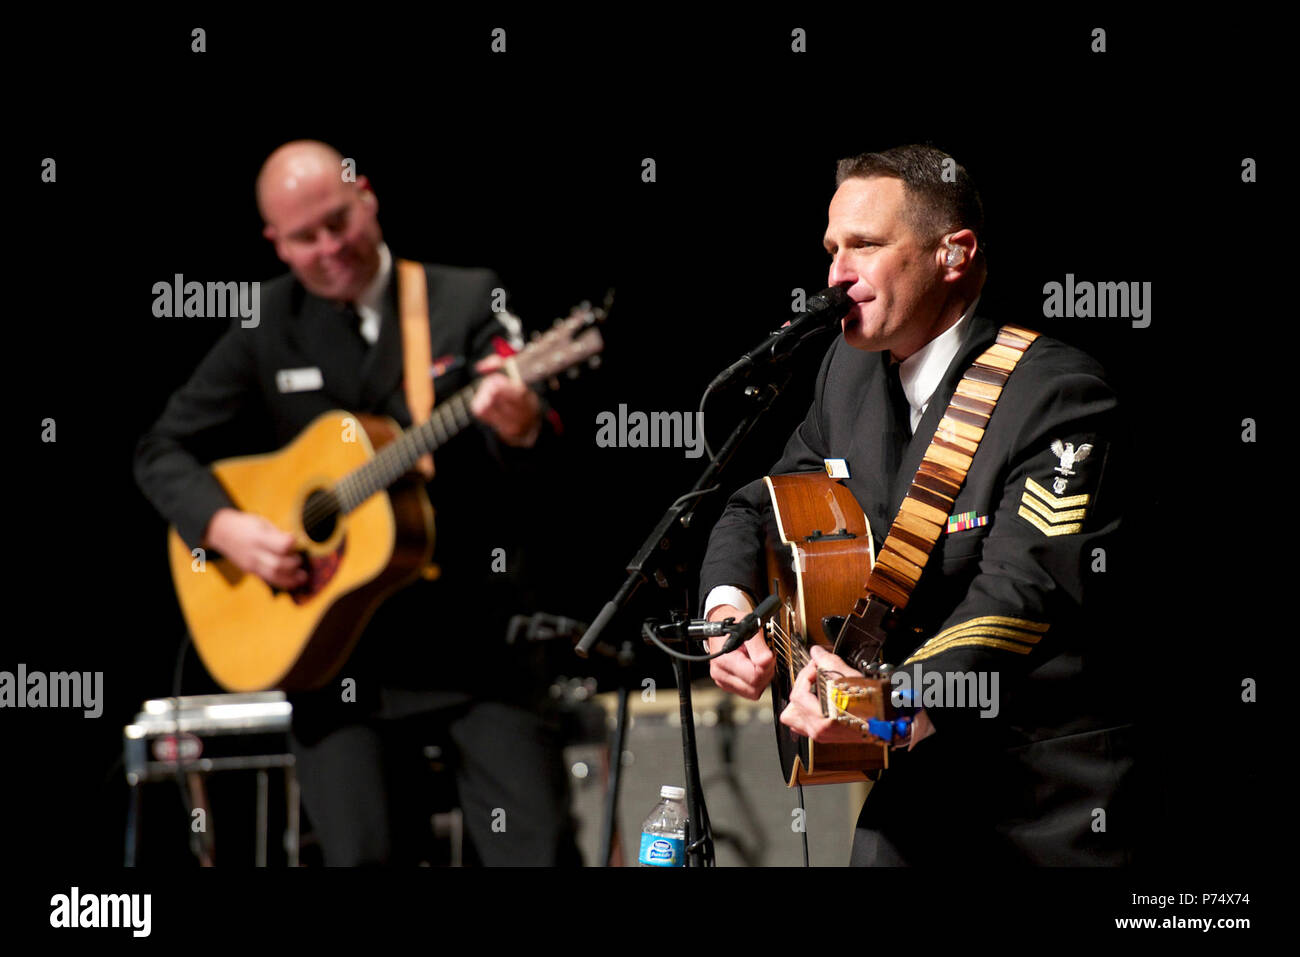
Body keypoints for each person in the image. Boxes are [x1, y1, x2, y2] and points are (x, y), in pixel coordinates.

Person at [134, 140, 580, 865]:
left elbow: (545, 472)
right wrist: (228, 529)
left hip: (476, 642)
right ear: (275, 242)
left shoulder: (462, 298)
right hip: (337, 658)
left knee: (537, 849)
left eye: (338, 221)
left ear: (367, 197)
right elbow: (160, 450)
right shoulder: (265, 324)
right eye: (305, 237)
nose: (329, 246)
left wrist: (521, 424)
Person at [699, 145, 1135, 865]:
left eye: (865, 245)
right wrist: (727, 608)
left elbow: (1020, 596)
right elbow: (761, 503)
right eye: (832, 249)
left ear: (953, 256)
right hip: (924, 777)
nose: (838, 273)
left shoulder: (1056, 394)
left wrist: (879, 704)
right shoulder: (848, 375)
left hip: (1049, 796)